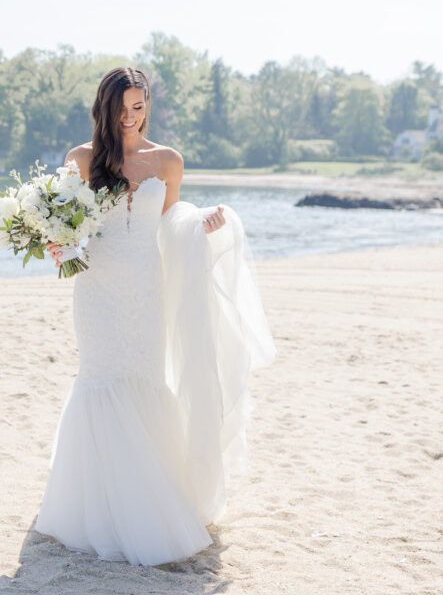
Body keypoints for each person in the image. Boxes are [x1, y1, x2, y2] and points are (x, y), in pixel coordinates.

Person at [34, 66, 276, 566]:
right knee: (99, 379)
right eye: (121, 108)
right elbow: (60, 225)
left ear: (148, 105)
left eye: (138, 107)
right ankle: (100, 508)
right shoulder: (81, 159)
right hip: (97, 290)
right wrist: (51, 238)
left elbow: (170, 224)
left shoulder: (167, 161)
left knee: (143, 379)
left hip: (146, 290)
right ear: (104, 108)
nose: (130, 117)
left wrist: (201, 224)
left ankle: (152, 499)